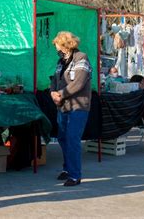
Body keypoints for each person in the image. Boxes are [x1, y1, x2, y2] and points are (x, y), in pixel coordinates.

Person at [50, 31, 92, 187]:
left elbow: (79, 83)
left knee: (73, 139)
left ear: (66, 45)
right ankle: (67, 168)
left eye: (58, 46)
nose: (57, 50)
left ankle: (75, 176)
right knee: (62, 138)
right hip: (62, 107)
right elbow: (54, 80)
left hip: (78, 106)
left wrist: (60, 94)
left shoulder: (82, 58)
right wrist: (52, 92)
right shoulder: (60, 61)